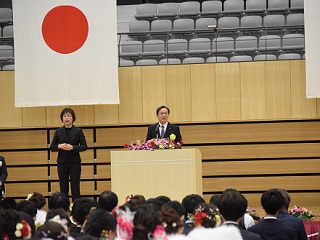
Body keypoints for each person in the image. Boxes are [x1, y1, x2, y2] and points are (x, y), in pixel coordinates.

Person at [50, 108, 87, 201]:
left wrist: (73, 148)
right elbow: (52, 147)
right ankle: (64, 208)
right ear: (62, 118)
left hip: (75, 162)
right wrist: (59, 146)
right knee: (63, 187)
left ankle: (76, 208)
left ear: (73, 118)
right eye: (64, 116)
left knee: (75, 187)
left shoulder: (78, 131)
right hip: (62, 163)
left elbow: (84, 146)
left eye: (69, 116)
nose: (67, 118)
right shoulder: (58, 131)